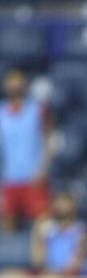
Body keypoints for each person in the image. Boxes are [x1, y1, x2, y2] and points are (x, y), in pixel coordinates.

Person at [0, 191, 87, 278]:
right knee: (10, 276)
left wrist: (50, 276)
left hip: (73, 277)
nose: (61, 208)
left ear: (73, 207)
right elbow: (38, 261)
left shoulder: (82, 231)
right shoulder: (49, 230)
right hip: (47, 275)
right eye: (58, 204)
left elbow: (76, 264)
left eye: (65, 205)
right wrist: (38, 234)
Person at [0, 68, 54, 232]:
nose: (14, 86)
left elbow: (50, 140)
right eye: (11, 83)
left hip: (34, 177)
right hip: (9, 178)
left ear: (25, 85)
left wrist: (44, 170)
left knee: (43, 226)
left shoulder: (38, 110)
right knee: (7, 226)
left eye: (18, 82)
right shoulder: (1, 112)